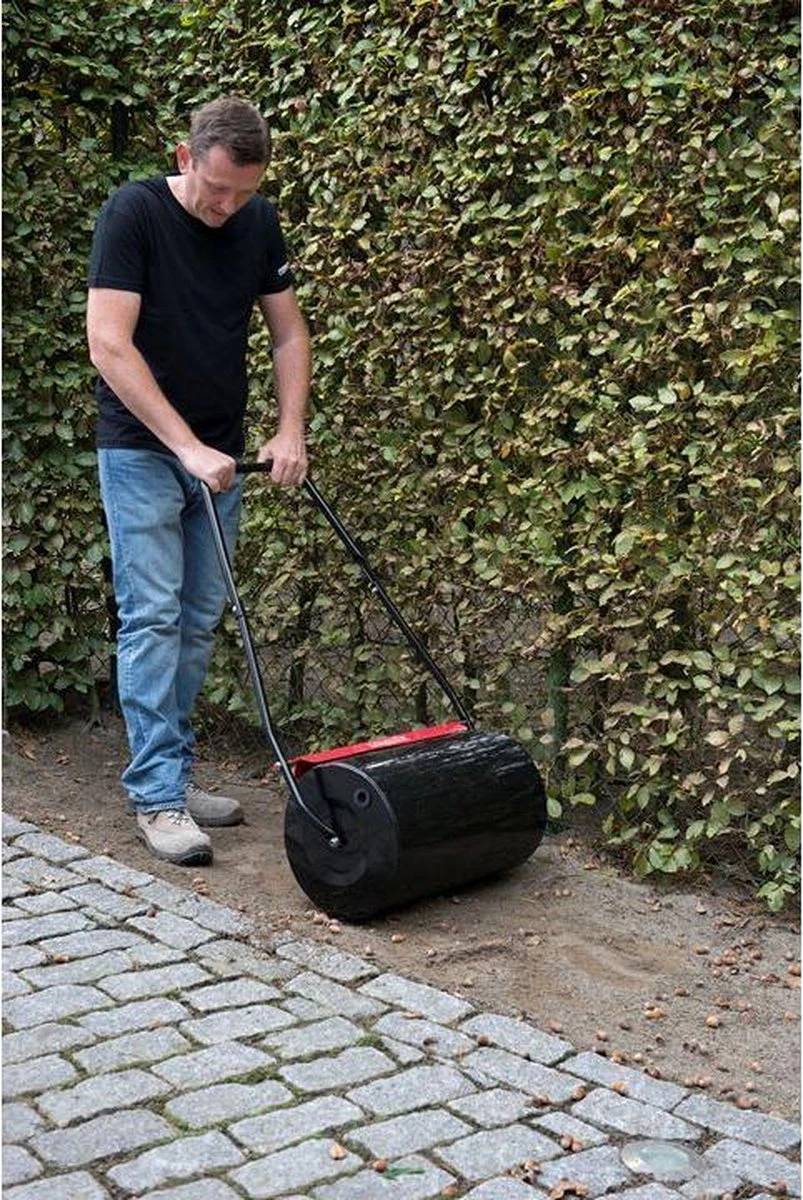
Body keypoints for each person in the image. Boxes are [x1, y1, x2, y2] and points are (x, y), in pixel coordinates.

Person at [86, 96, 310, 867]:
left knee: (196, 619)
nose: (227, 206)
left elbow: (288, 333)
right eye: (217, 189)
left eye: (244, 192)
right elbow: (108, 344)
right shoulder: (134, 214)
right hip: (142, 452)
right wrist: (182, 445)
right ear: (186, 158)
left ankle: (173, 773)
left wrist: (289, 429)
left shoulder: (257, 221)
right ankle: (156, 797)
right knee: (152, 619)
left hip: (220, 458)